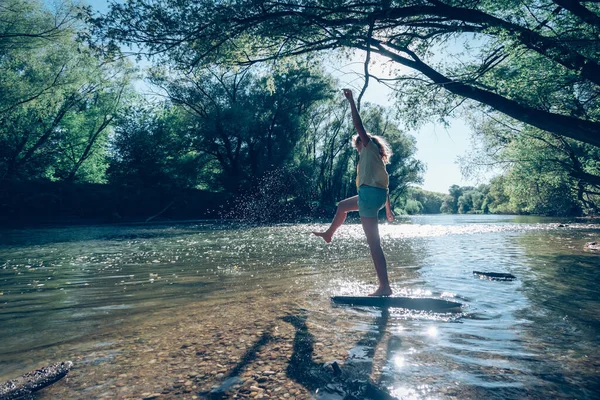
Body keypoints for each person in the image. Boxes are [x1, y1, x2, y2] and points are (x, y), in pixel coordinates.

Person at [313, 88, 395, 297]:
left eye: (357, 142)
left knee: (374, 244)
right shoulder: (374, 158)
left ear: (363, 142)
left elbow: (359, 125)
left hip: (368, 197)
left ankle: (384, 287)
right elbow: (384, 186)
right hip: (373, 197)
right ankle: (329, 234)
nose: (357, 146)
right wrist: (388, 209)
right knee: (342, 206)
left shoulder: (368, 148)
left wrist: (351, 101)